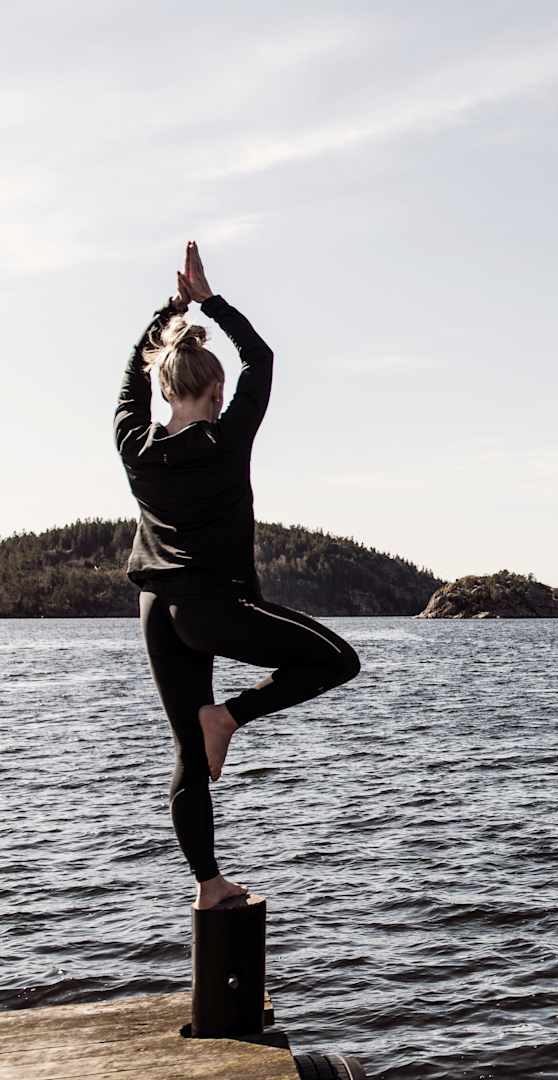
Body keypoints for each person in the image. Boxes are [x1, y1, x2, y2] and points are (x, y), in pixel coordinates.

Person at [116, 241, 362, 911]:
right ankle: (228, 716)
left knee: (186, 752)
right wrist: (208, 301)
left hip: (155, 609)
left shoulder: (133, 442)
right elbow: (262, 358)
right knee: (338, 661)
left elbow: (130, 374)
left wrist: (171, 310)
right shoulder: (224, 440)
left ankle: (208, 886)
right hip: (212, 607)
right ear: (217, 392)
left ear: (164, 387)